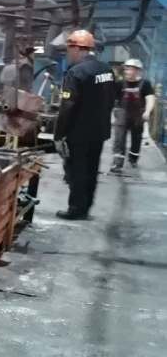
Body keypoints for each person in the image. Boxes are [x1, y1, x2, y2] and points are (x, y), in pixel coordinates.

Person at [53, 30, 116, 220]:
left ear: (78, 49)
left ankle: (76, 209)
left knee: (78, 171)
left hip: (79, 133)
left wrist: (59, 135)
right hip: (99, 131)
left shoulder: (76, 72)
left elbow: (67, 106)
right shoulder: (106, 70)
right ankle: (86, 207)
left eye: (69, 49)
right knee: (91, 169)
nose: (68, 54)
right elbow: (111, 100)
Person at [109, 58, 155, 172]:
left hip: (138, 116)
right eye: (126, 69)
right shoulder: (120, 84)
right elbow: (111, 98)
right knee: (119, 139)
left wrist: (147, 111)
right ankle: (117, 163)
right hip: (122, 114)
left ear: (137, 70)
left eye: (130, 69)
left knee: (136, 139)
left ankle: (133, 159)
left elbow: (150, 98)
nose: (127, 71)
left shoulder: (145, 84)